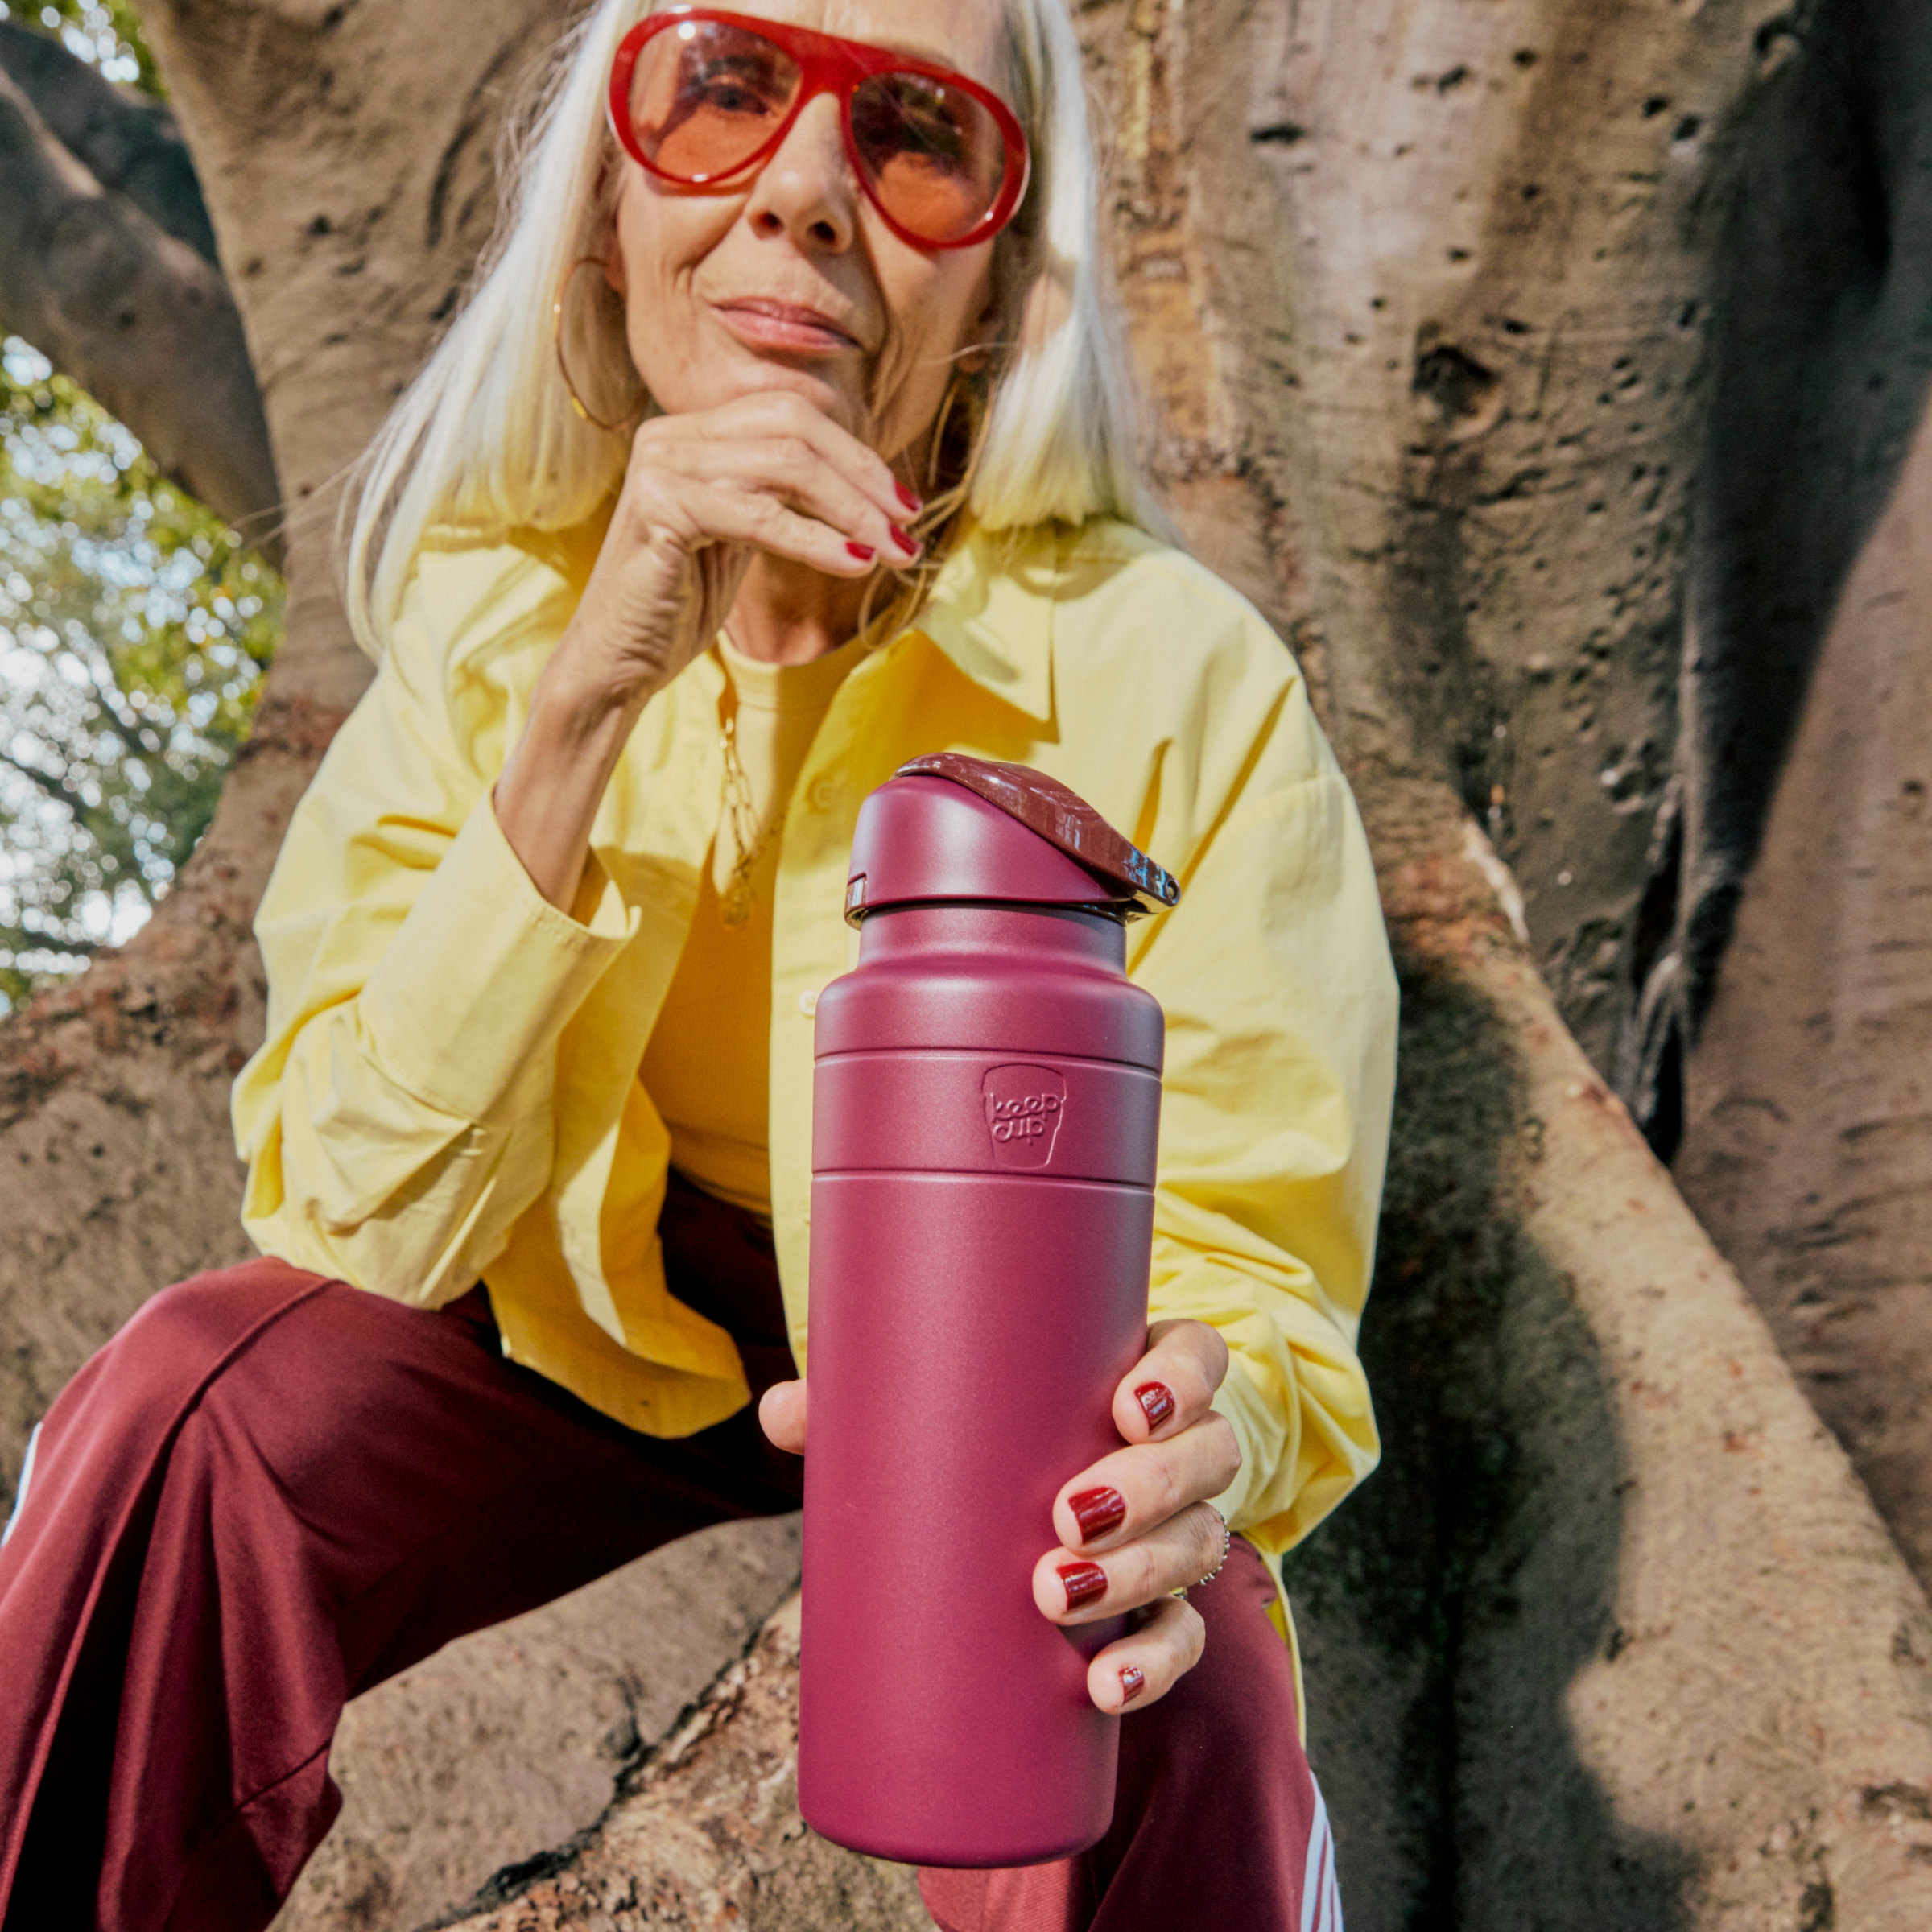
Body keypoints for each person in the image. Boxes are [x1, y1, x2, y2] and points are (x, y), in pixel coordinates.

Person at [0, 0, 1395, 1925]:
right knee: (189, 1412)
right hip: (575, 1309)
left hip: (1001, 1367)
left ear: (1000, 278)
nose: (805, 190)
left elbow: (1256, 1266)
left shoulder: (1182, 677)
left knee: (1167, 1656)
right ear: (604, 210)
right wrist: (580, 708)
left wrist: (1192, 1443)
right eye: (723, 90)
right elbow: (347, 1207)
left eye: (916, 136)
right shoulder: (491, 614)